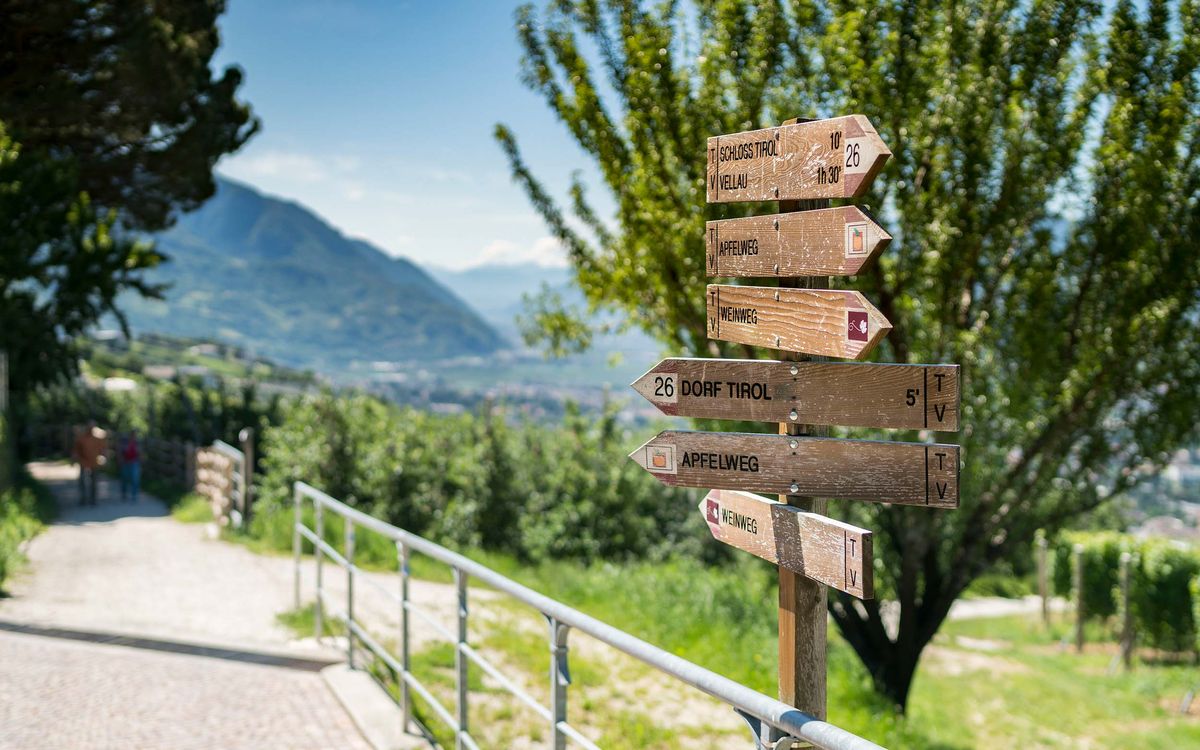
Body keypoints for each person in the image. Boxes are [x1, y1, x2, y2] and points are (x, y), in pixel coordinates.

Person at [72, 421, 107, 506]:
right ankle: (83, 499)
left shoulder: (98, 438)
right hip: (83, 462)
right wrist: (74, 459)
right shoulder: (81, 438)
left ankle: (93, 499)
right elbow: (76, 450)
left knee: (94, 482)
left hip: (94, 462)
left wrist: (104, 458)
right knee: (82, 481)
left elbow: (103, 450)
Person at [120, 430, 142, 503]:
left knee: (135, 479)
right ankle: (124, 493)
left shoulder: (137, 443)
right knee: (125, 478)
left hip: (134, 462)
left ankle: (134, 495)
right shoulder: (125, 442)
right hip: (126, 462)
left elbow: (140, 453)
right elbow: (122, 451)